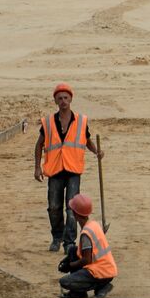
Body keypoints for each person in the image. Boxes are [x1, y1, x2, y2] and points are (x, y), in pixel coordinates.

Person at [34, 83, 104, 251]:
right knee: (54, 207)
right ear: (55, 101)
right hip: (55, 170)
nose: (63, 101)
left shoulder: (80, 121)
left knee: (72, 208)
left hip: (73, 169)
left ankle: (69, 242)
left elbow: (86, 140)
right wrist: (37, 168)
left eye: (66, 98)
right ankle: (57, 237)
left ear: (71, 99)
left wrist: (97, 152)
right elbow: (38, 145)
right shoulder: (48, 122)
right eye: (60, 98)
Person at [56, 193, 116, 298]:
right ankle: (78, 293)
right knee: (73, 251)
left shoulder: (86, 234)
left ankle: (101, 286)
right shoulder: (94, 224)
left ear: (75, 214)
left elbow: (86, 260)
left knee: (64, 282)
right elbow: (82, 252)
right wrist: (69, 258)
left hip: (101, 272)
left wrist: (70, 265)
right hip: (107, 268)